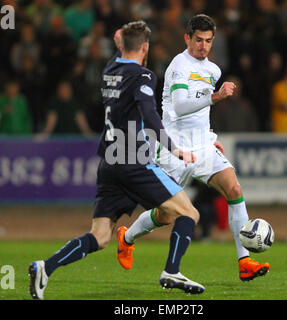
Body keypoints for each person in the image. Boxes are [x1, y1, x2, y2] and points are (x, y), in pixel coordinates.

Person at [28, 20, 204, 300]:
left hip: (109, 164)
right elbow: (150, 114)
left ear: (121, 45)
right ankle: (171, 270)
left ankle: (44, 268)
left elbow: (121, 56)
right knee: (189, 213)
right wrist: (173, 148)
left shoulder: (109, 70)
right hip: (133, 161)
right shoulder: (144, 77)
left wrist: (121, 42)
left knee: (99, 237)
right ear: (145, 47)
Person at [117, 14, 270, 282]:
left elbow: (198, 114)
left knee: (234, 189)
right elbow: (180, 106)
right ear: (187, 38)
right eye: (198, 40)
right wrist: (216, 96)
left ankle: (244, 261)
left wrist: (210, 137)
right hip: (174, 149)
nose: (203, 46)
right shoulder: (179, 65)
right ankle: (127, 237)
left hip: (203, 147)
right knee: (165, 215)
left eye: (208, 41)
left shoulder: (213, 70)